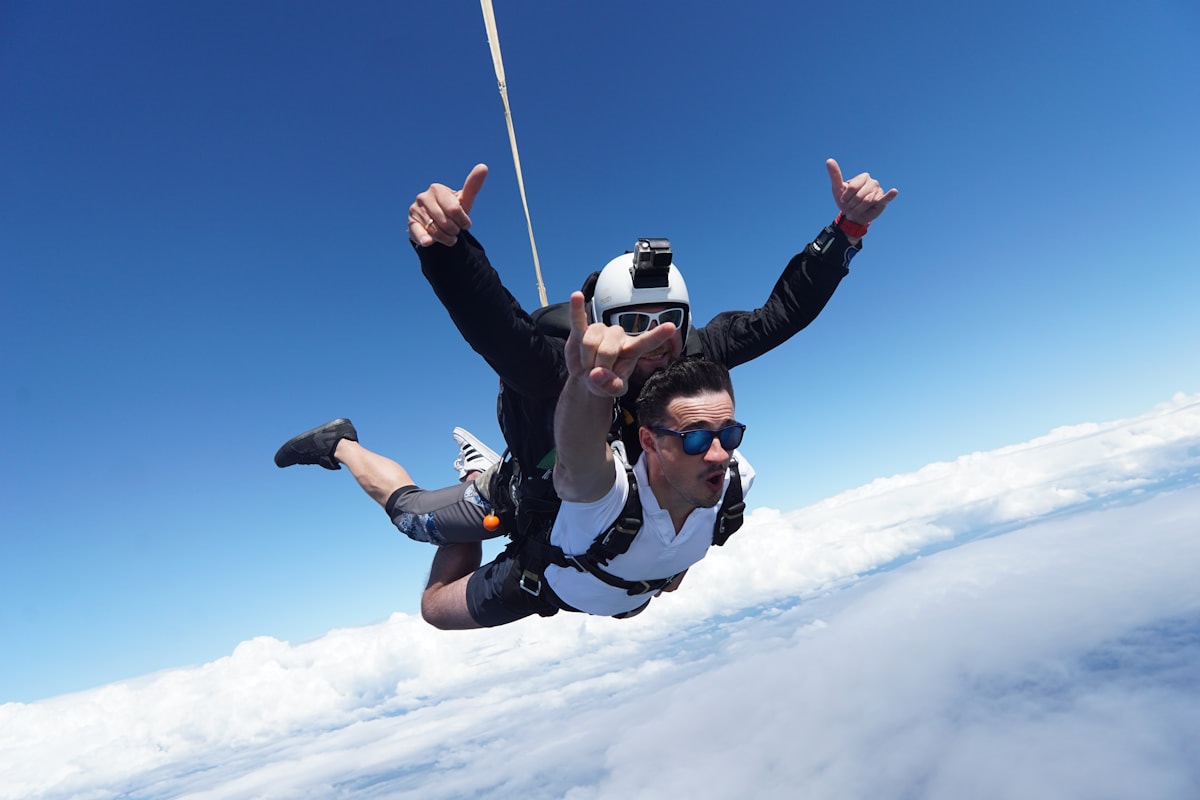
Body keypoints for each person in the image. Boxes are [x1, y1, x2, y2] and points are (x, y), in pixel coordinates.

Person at [275, 294, 753, 627]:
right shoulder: (607, 490)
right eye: (695, 440)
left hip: (584, 569)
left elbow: (684, 535)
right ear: (650, 440)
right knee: (416, 540)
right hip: (535, 556)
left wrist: (834, 235)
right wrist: (445, 251)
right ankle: (341, 444)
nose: (718, 452)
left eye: (729, 435)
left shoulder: (733, 482)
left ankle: (482, 479)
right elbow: (581, 449)